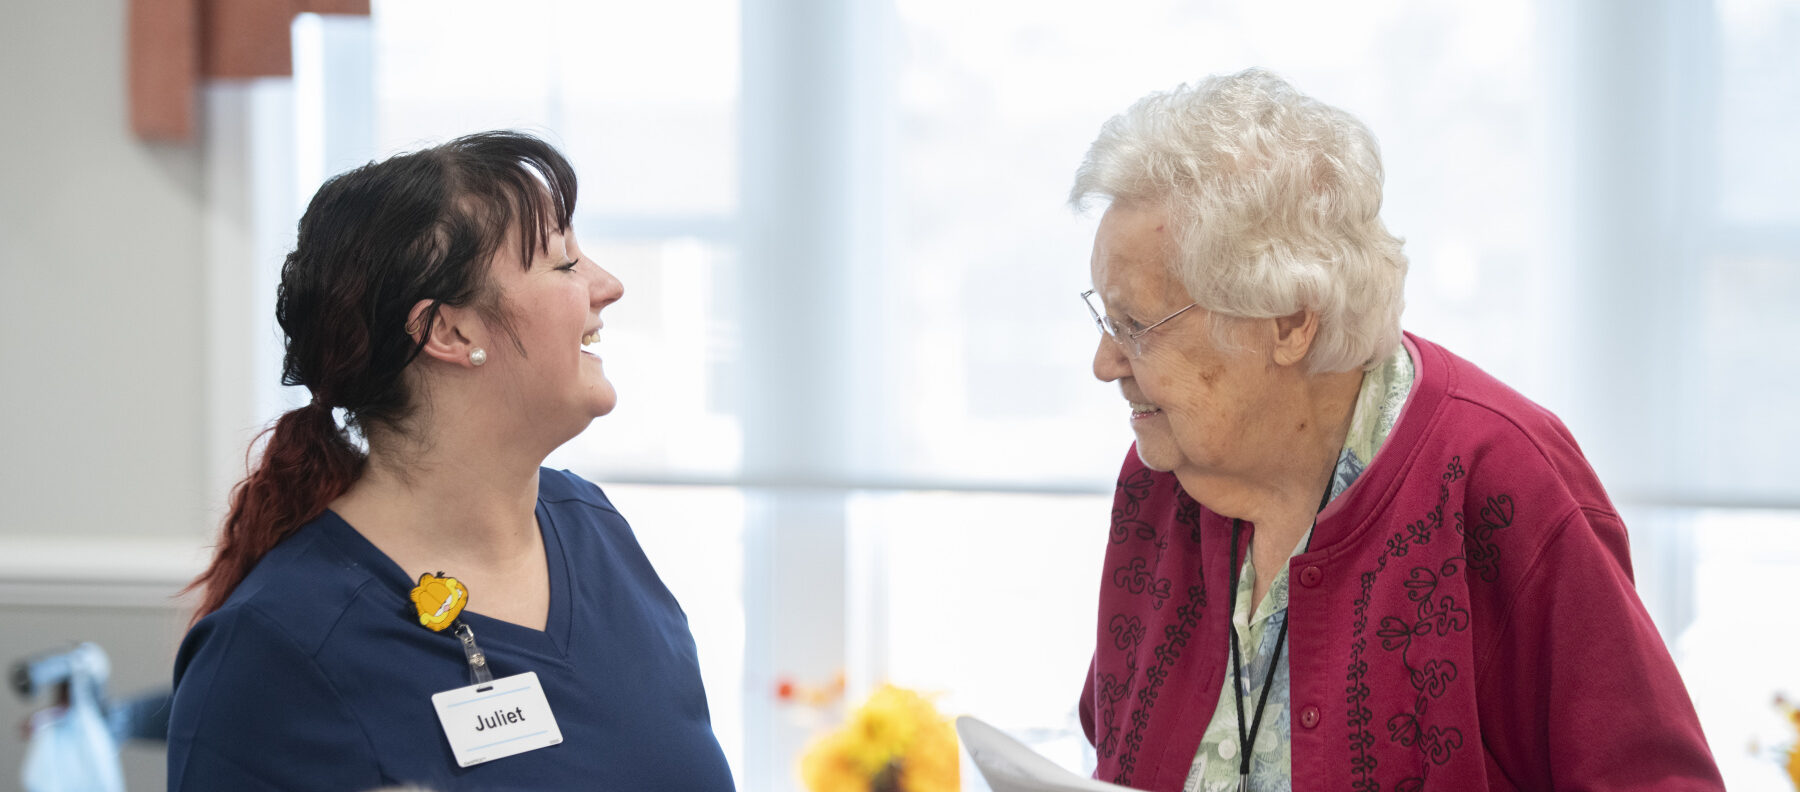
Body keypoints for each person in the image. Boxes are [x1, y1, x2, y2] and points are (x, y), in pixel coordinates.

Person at [1070, 70, 1723, 791]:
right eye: (1105, 317)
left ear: (1289, 320)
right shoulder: (1163, 471)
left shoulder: (1503, 480)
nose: (1106, 363)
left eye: (1136, 326)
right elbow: (1111, 744)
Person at [166, 132, 735, 791]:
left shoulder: (594, 532)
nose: (608, 286)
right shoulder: (277, 647)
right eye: (564, 263)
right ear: (449, 332)